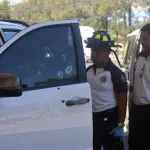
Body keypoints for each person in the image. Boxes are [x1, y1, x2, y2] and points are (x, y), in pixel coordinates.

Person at [86, 30, 127, 150]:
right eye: (92, 51)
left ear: (107, 52)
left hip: (109, 118)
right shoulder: (88, 72)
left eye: (97, 51)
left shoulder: (115, 73)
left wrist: (120, 124)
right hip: (93, 118)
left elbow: (122, 100)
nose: (94, 54)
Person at [128, 23, 150, 150]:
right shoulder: (139, 58)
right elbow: (132, 85)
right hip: (136, 111)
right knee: (134, 144)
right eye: (141, 38)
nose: (141, 42)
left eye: (145, 39)